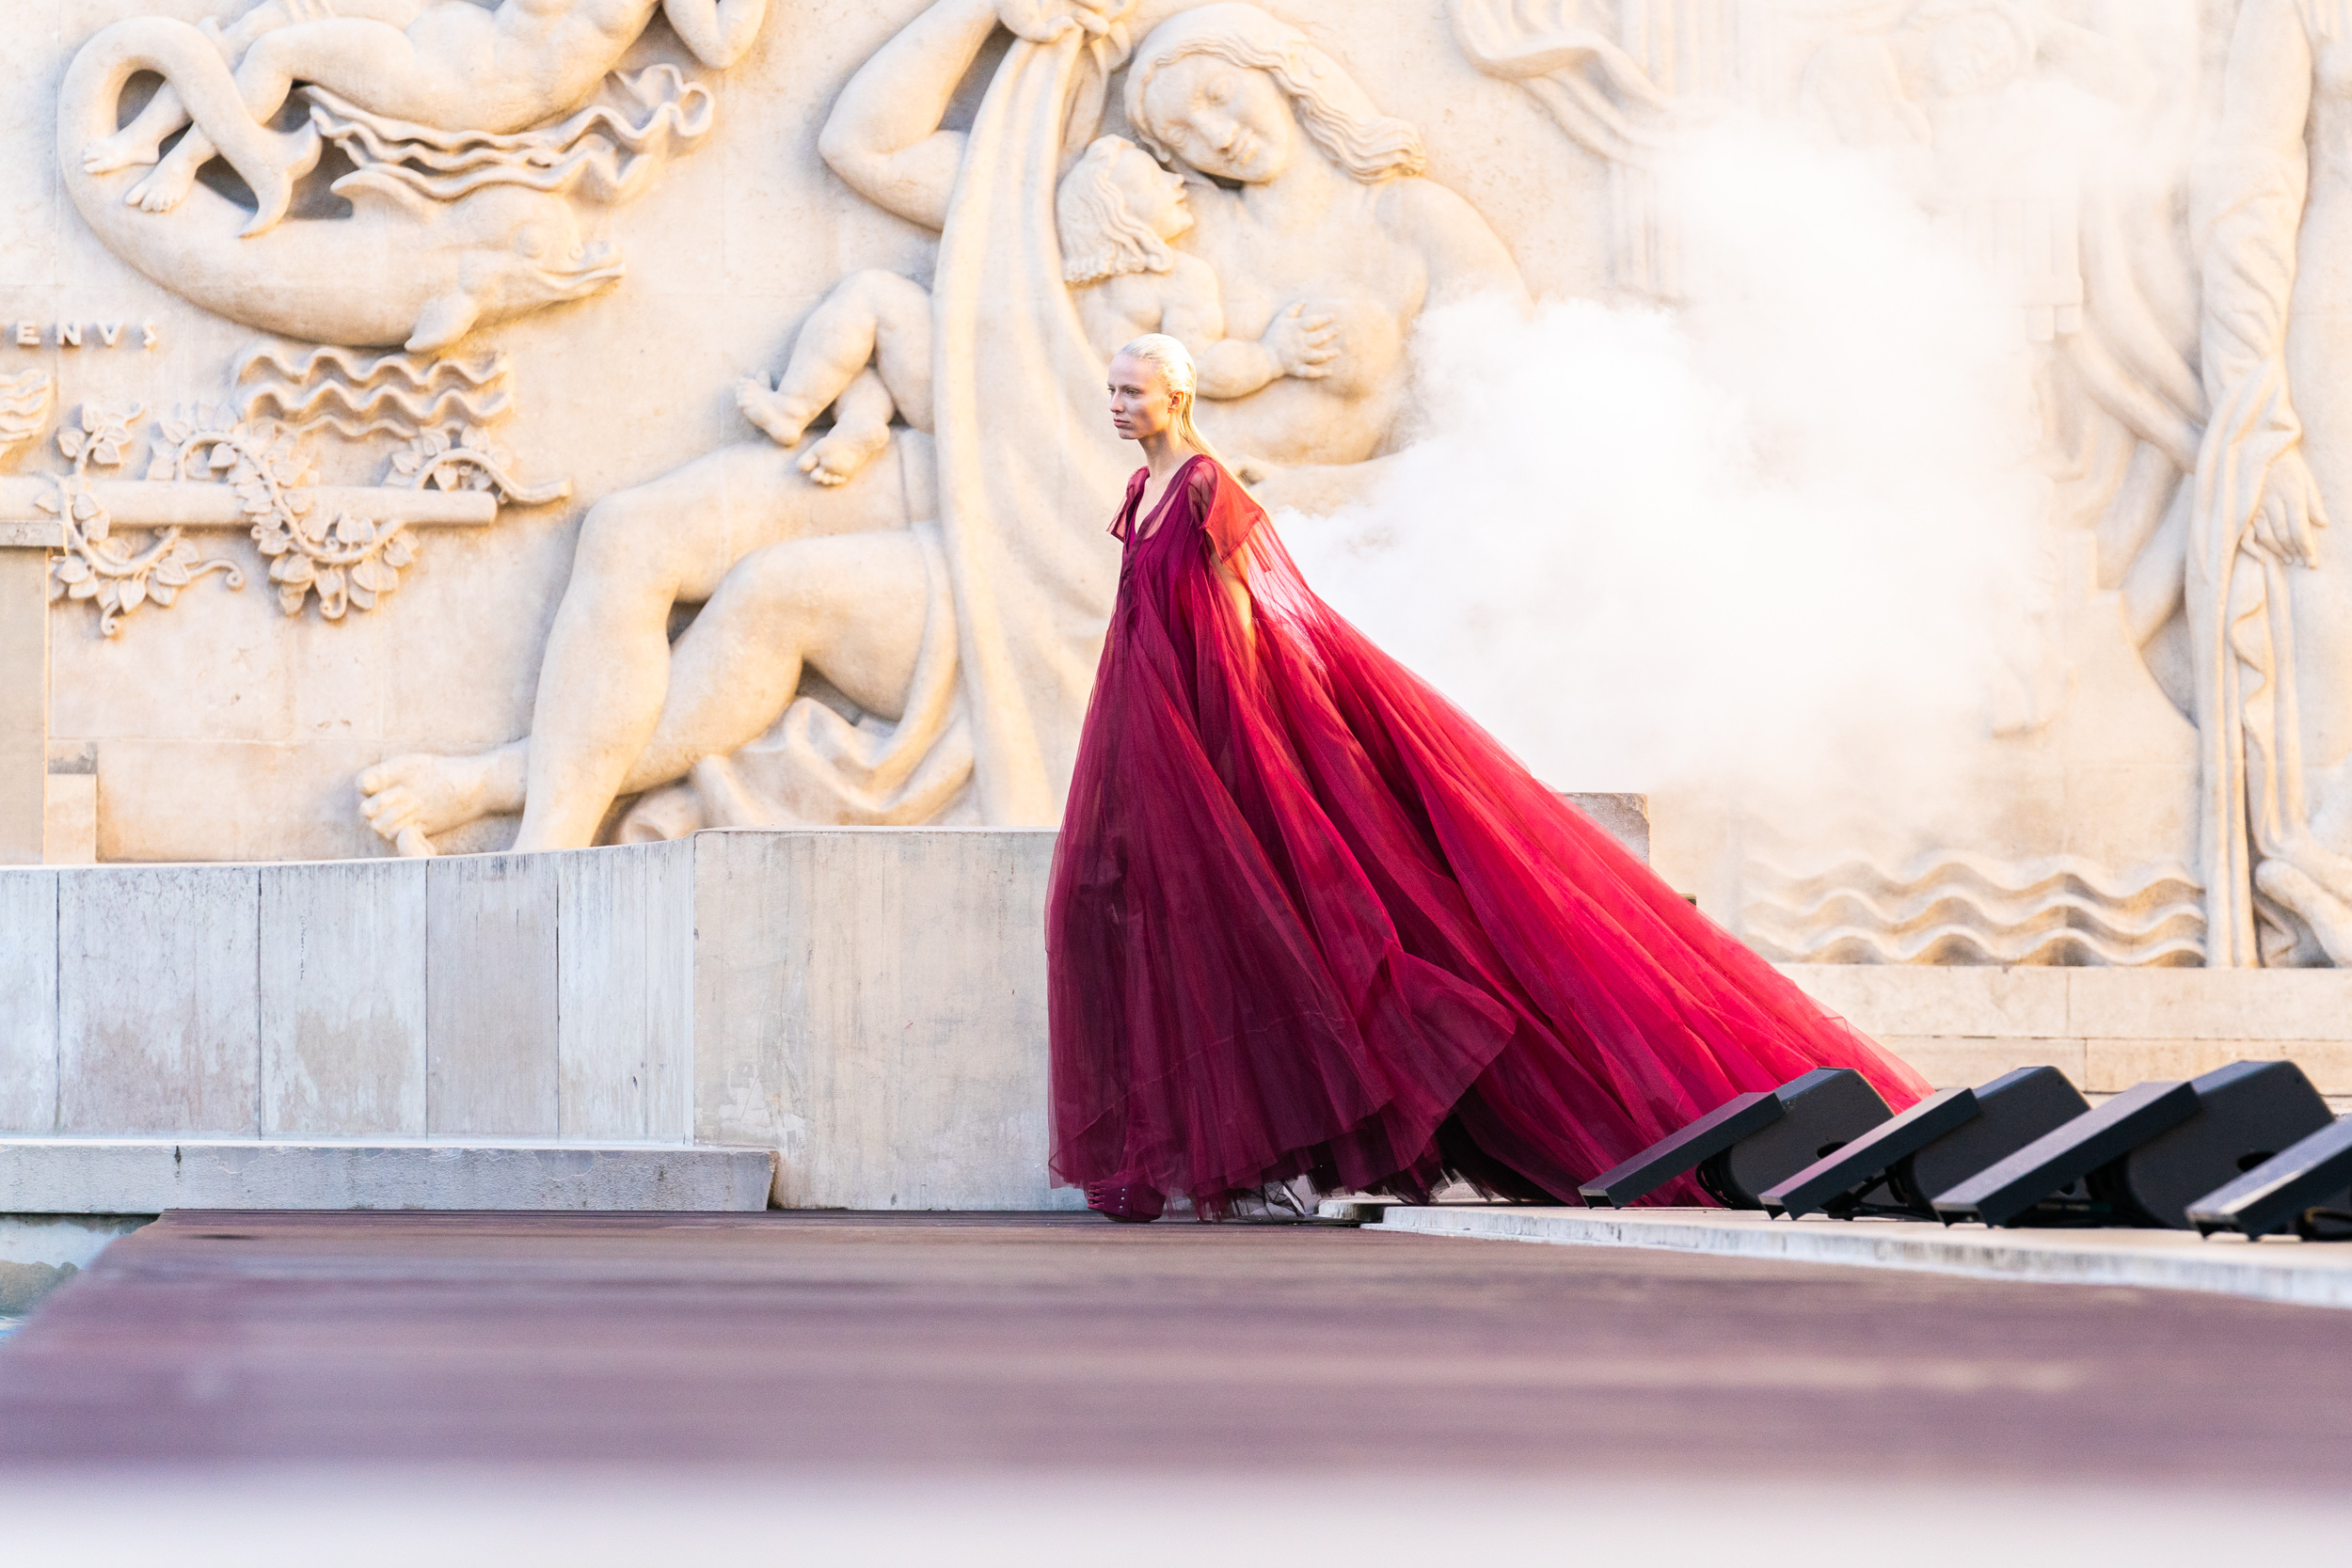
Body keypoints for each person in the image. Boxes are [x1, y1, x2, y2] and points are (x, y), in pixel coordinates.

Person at [1050, 335, 1931, 1222]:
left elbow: (1241, 615)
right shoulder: (1140, 491)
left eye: (1133, 391)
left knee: (1329, 921)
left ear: (1178, 396)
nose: (1118, 403)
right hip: (1151, 727)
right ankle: (1198, 1158)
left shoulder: (1208, 486)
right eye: (1114, 390)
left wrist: (1236, 741)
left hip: (1215, 724)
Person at [732, 135, 1338, 490]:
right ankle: (858, 423)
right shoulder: (1176, 280)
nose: (1178, 183)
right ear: (1121, 213)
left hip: (990, 416)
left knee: (869, 299)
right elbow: (1201, 365)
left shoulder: (1064, 271)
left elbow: (1193, 373)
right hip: (991, 415)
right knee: (869, 318)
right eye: (1157, 178)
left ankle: (812, 409)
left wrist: (1272, 358)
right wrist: (1271, 355)